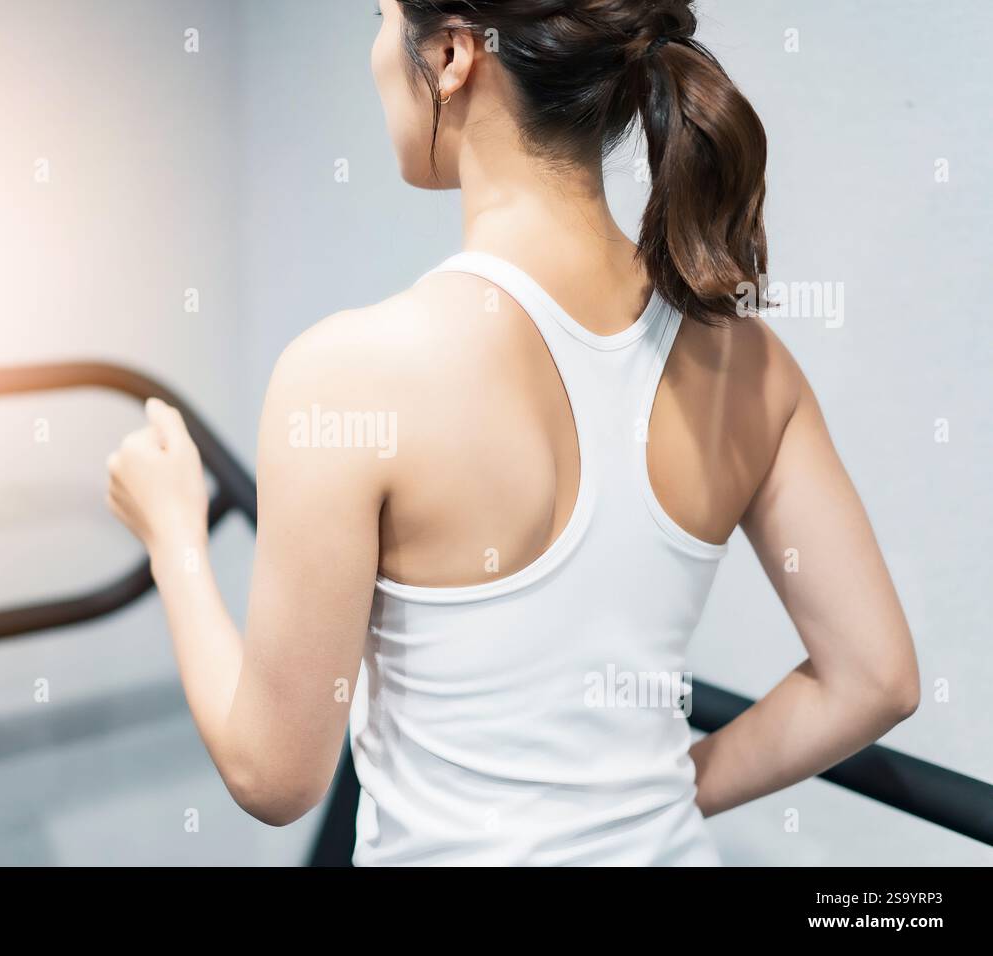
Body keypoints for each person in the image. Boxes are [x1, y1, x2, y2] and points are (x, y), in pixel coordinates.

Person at [105, 0, 919, 865]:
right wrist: (654, 796)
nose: (377, 52)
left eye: (381, 19)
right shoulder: (752, 363)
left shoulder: (346, 372)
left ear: (453, 53)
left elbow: (274, 777)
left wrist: (176, 541)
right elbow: (875, 680)